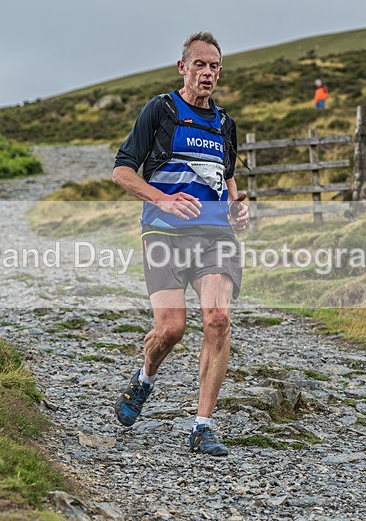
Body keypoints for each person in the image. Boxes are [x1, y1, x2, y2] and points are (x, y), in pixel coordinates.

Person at [111, 31, 249, 457]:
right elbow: (122, 171)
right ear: (183, 68)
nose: (208, 73)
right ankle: (145, 378)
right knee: (171, 329)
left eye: (214, 67)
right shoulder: (162, 110)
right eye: (200, 65)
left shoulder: (225, 124)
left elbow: (226, 180)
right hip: (163, 233)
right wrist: (163, 199)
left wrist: (236, 210)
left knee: (218, 318)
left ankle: (202, 426)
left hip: (214, 237)